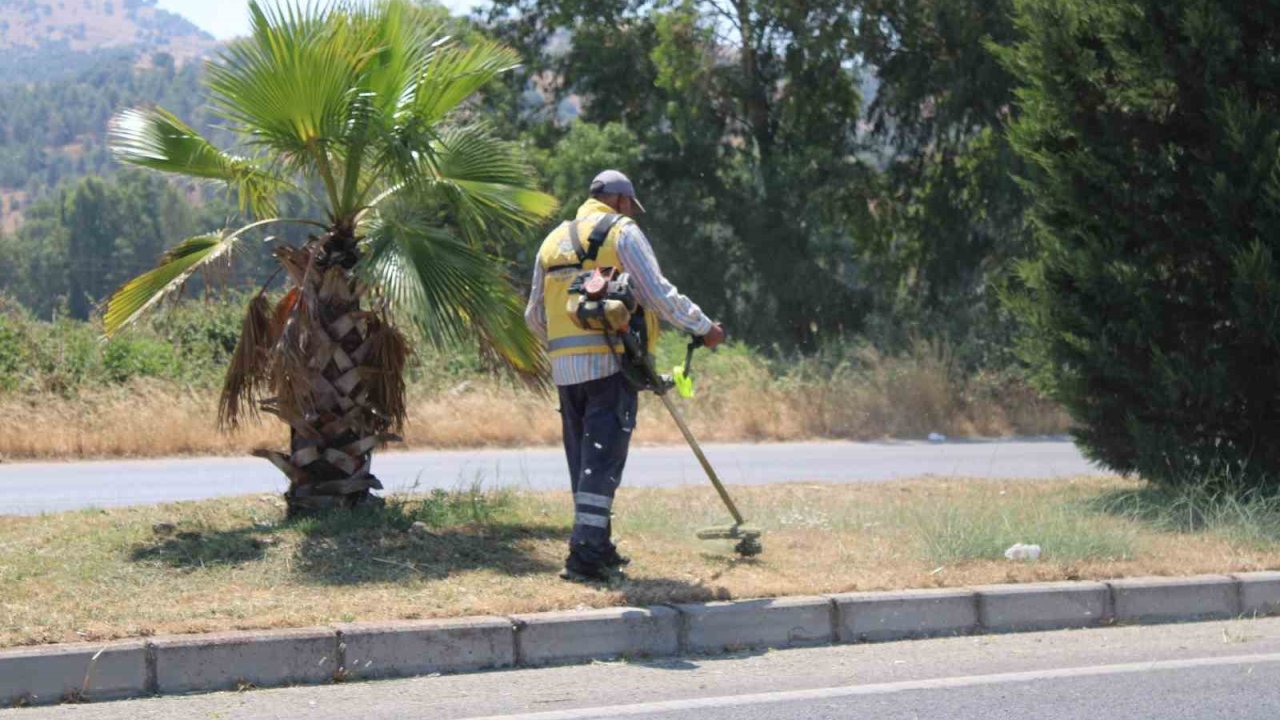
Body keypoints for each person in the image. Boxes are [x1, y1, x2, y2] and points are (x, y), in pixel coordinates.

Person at [525, 170, 725, 583]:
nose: (632, 212)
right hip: (610, 368)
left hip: (566, 374)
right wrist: (703, 328)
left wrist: (566, 347)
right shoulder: (622, 232)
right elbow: (658, 293)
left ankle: (598, 546)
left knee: (586, 462)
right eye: (631, 205)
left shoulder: (552, 240)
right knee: (602, 462)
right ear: (619, 201)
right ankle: (584, 559)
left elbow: (534, 316)